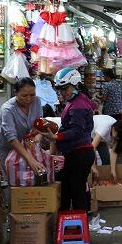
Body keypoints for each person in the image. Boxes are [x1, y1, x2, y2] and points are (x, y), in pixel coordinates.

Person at [41, 67, 95, 212]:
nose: (63, 93)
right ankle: (74, 225)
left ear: (75, 84)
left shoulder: (78, 105)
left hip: (79, 153)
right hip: (79, 153)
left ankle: (77, 228)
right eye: (60, 89)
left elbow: (76, 131)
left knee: (75, 192)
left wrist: (57, 136)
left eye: (65, 89)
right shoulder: (78, 101)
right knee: (72, 189)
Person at [0, 78, 46, 175]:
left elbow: (38, 124)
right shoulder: (7, 109)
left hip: (24, 144)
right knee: (12, 176)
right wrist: (30, 159)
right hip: (6, 146)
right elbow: (11, 138)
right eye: (24, 95)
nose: (29, 99)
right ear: (15, 93)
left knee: (27, 175)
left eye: (32, 95)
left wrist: (37, 137)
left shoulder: (37, 102)